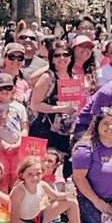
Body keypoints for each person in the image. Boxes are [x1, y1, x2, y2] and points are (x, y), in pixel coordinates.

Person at [6, 156, 96, 223]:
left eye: (38, 174)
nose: (35, 177)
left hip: (38, 218)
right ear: (21, 174)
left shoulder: (42, 184)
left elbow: (56, 196)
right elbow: (13, 218)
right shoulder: (18, 191)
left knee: (71, 201)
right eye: (30, 174)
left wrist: (69, 194)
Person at [29, 40, 82, 175]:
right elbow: (35, 104)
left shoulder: (73, 76)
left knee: (60, 168)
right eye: (57, 55)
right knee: (40, 168)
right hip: (44, 130)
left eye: (65, 54)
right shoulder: (47, 78)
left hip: (65, 131)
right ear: (51, 59)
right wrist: (59, 109)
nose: (62, 58)